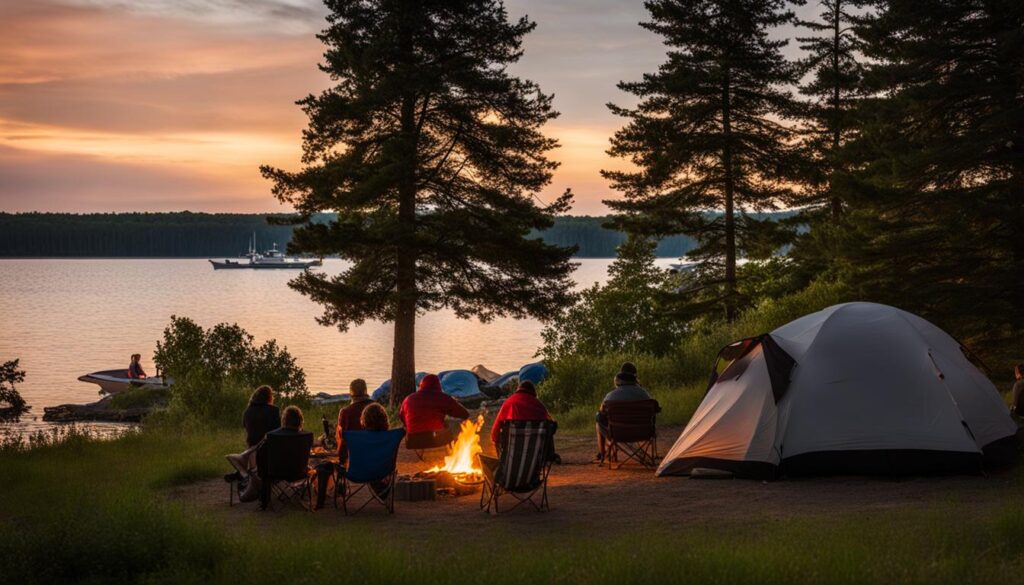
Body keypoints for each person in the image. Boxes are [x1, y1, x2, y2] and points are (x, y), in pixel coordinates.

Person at [314, 379, 374, 509]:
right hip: (377, 462)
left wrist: (340, 458)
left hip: (352, 466)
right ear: (366, 391)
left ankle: (325, 497)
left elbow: (341, 441)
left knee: (324, 465)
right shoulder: (376, 409)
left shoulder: (346, 412)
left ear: (351, 393)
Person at [239, 405, 309, 507]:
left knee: (261, 467)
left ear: (284, 419)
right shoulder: (307, 436)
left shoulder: (271, 436)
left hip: (275, 474)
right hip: (300, 473)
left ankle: (263, 498)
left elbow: (260, 455)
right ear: (300, 420)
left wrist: (262, 471)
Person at [595, 362, 655, 463]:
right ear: (635, 379)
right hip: (643, 433)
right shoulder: (644, 394)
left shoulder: (610, 397)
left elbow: (602, 412)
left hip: (618, 434)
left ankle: (604, 453)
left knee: (598, 417)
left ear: (618, 381)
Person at [225, 386, 280, 487]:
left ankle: (242, 474)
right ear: (269, 397)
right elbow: (278, 431)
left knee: (251, 441)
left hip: (252, 450)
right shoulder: (273, 410)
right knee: (262, 442)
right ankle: (246, 474)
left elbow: (246, 427)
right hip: (268, 452)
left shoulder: (248, 411)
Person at [398, 374, 469, 441]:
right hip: (436, 439)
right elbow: (465, 414)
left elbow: (401, 417)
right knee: (454, 424)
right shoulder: (443, 398)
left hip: (412, 440)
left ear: (421, 385)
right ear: (438, 385)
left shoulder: (408, 399)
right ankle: (454, 449)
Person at [488, 381, 552, 451]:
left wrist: (496, 442)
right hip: (535, 453)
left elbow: (494, 434)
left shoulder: (509, 403)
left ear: (518, 389)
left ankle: (503, 458)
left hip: (511, 453)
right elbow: (551, 426)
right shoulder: (539, 406)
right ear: (533, 392)